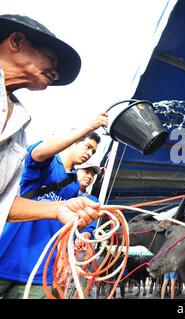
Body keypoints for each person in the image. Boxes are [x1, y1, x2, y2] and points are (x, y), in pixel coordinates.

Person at [0, 14, 103, 236]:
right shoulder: (47, 161)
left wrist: (57, 208)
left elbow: (3, 203)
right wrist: (87, 126)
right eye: (51, 59)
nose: (55, 74)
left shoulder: (18, 125)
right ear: (16, 41)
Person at [0, 115, 107, 298]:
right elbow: (38, 153)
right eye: (88, 146)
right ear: (72, 141)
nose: (89, 154)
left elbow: (66, 227)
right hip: (8, 255)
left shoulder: (74, 184)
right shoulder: (47, 164)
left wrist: (64, 257)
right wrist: (87, 126)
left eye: (93, 152)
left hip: (41, 267)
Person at [74, 162, 102, 248]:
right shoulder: (61, 191)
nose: (90, 176)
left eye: (93, 175)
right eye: (86, 172)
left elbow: (91, 227)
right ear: (75, 171)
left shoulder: (93, 201)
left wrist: (85, 235)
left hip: (72, 247)